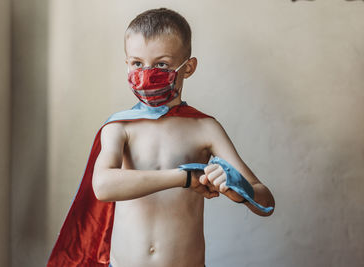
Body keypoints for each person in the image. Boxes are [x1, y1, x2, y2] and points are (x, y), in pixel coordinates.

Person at [47, 7, 275, 267]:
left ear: (188, 68)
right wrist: (185, 177)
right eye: (137, 63)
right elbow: (103, 186)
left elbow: (265, 201)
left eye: (161, 64)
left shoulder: (205, 128)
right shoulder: (120, 127)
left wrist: (238, 188)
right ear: (127, 65)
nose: (146, 74)